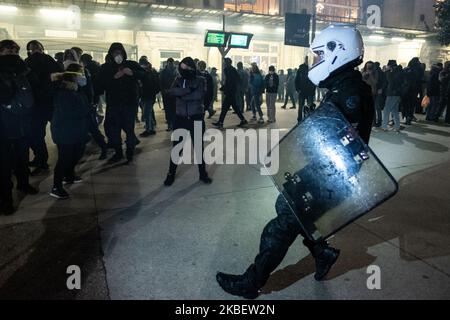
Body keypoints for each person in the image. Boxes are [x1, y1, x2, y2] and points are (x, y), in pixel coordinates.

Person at [216, 24, 374, 299]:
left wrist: (320, 125)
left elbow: (343, 140)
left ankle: (251, 283)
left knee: (281, 225)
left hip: (332, 173)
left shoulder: (349, 94)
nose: (316, 61)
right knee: (285, 204)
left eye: (320, 55)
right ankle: (322, 252)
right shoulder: (347, 85)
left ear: (339, 52)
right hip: (328, 170)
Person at [0, 40, 39, 215]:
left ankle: (23, 184)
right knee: (4, 165)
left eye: (15, 51)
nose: (13, 53)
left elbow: (36, 89)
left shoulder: (24, 70)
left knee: (22, 159)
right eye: (8, 50)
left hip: (23, 124)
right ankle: (6, 199)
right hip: (3, 127)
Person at [163, 57, 212, 187]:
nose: (183, 69)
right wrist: (189, 90)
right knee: (176, 148)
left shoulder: (201, 80)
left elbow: (199, 96)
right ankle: (170, 174)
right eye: (182, 67)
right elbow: (171, 92)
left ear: (192, 68)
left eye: (186, 67)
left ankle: (203, 174)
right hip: (180, 118)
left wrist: (181, 94)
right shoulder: (178, 79)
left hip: (196, 118)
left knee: (198, 148)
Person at [94, 43, 146, 163]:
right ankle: (118, 152)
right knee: (113, 129)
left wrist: (132, 73)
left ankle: (130, 152)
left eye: (120, 53)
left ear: (123, 53)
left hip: (130, 102)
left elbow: (145, 75)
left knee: (129, 127)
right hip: (114, 103)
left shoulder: (131, 64)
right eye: (115, 53)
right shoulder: (106, 68)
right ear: (111, 54)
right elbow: (99, 84)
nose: (118, 55)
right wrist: (113, 78)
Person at [50, 65, 91, 199]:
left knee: (77, 153)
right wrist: (86, 110)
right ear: (73, 76)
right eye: (81, 74)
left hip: (77, 129)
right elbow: (70, 112)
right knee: (65, 158)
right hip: (64, 131)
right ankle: (56, 186)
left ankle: (69, 175)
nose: (83, 77)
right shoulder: (63, 92)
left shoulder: (77, 90)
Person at [25, 40, 63, 175]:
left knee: (59, 134)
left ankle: (64, 162)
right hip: (36, 105)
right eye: (32, 49)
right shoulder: (26, 63)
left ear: (42, 49)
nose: (35, 51)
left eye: (37, 48)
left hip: (50, 103)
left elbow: (60, 78)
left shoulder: (49, 61)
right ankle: (41, 160)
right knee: (35, 136)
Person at [212, 58, 248, 129]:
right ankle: (242, 120)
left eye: (224, 62)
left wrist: (224, 87)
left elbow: (230, 81)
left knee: (225, 108)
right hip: (232, 91)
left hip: (230, 92)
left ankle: (221, 122)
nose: (224, 64)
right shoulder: (232, 69)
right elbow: (237, 79)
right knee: (233, 107)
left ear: (227, 63)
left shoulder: (229, 70)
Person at [381, 60, 403, 133]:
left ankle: (384, 126)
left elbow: (390, 83)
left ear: (390, 66)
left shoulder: (392, 73)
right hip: (398, 94)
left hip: (392, 94)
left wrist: (387, 72)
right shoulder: (400, 72)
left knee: (386, 110)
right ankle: (397, 127)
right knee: (395, 111)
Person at [139, 60, 160, 137]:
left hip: (148, 96)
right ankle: (150, 129)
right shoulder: (151, 72)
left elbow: (150, 85)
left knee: (147, 114)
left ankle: (149, 130)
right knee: (148, 113)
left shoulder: (148, 73)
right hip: (148, 96)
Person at [160, 58, 178, 131]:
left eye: (171, 63)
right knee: (168, 110)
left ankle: (173, 124)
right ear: (167, 63)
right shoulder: (163, 72)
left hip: (174, 94)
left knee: (174, 110)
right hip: (166, 94)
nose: (170, 64)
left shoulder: (177, 71)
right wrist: (163, 90)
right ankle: (170, 124)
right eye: (169, 63)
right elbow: (160, 82)